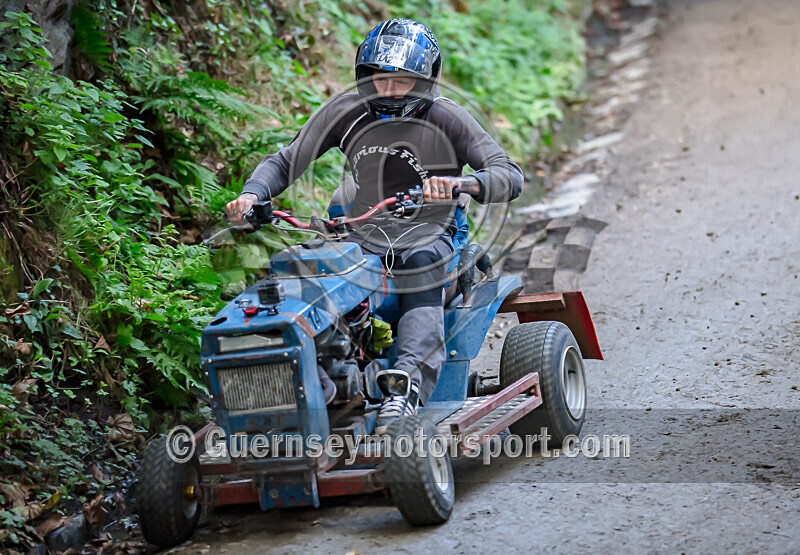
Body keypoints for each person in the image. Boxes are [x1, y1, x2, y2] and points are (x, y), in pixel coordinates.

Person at [226, 18, 523, 434]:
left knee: (419, 264)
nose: (389, 90)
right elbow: (285, 159)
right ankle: (314, 385)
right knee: (309, 272)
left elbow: (509, 174)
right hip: (363, 233)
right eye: (381, 79)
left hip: (435, 235)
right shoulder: (346, 113)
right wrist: (253, 195)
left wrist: (463, 183)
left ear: (425, 81)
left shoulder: (448, 118)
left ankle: (404, 390)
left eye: (402, 81)